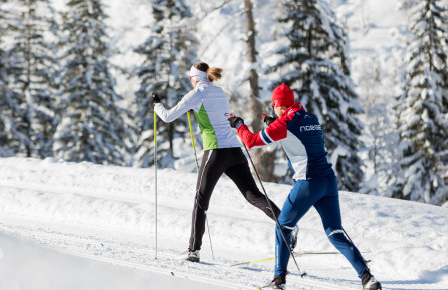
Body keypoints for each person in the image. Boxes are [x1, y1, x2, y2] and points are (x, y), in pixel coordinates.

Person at [228, 84, 381, 290]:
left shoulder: (286, 123)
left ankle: (278, 280)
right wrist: (276, 123)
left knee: (283, 227)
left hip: (308, 183)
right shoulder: (311, 118)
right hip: (328, 182)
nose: (273, 110)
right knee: (335, 233)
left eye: (274, 106)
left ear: (279, 105)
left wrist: (239, 124)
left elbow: (252, 141)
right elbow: (298, 135)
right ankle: (367, 279)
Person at [152, 62, 283, 263]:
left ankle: (193, 250)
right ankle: (285, 224)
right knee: (252, 194)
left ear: (193, 78)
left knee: (200, 200)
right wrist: (191, 102)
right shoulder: (219, 92)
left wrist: (156, 105)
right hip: (235, 150)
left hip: (215, 151)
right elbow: (210, 110)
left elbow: (168, 117)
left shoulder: (197, 94)